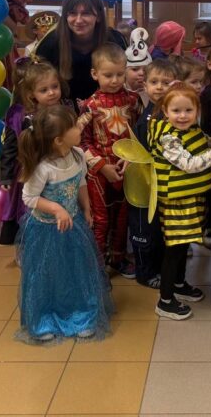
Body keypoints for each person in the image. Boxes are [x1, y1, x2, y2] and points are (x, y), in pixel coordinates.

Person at [15, 105, 114, 344]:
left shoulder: (78, 154)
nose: (80, 127)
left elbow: (81, 182)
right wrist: (57, 209)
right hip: (45, 230)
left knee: (77, 270)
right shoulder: (43, 168)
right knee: (47, 275)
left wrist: (87, 207)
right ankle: (43, 319)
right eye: (74, 126)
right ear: (59, 140)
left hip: (73, 226)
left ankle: (81, 315)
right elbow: (29, 198)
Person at [147, 84, 211, 320]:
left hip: (191, 199)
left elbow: (207, 142)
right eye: (176, 111)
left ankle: (178, 284)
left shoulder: (192, 129)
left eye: (188, 110)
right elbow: (189, 164)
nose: (183, 116)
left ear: (197, 110)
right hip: (176, 203)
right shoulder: (168, 137)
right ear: (165, 111)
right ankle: (165, 301)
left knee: (184, 244)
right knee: (174, 249)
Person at [80, 44, 139, 277]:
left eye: (120, 74)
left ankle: (118, 258)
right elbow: (82, 142)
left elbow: (140, 135)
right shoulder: (89, 105)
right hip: (99, 173)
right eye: (108, 75)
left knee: (123, 217)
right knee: (101, 219)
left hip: (128, 168)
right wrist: (103, 167)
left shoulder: (133, 101)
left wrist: (131, 159)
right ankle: (96, 264)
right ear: (95, 74)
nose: (115, 80)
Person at [0, 59, 71, 247]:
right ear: (32, 94)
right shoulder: (24, 118)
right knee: (35, 211)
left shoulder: (67, 109)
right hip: (34, 171)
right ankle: (33, 245)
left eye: (55, 87)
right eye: (44, 90)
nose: (51, 92)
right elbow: (10, 147)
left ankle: (59, 242)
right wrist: (6, 174)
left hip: (61, 171)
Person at [129, 58, 179, 289]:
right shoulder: (147, 118)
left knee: (161, 229)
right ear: (145, 85)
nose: (159, 87)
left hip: (166, 183)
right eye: (154, 82)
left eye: (166, 82)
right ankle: (145, 272)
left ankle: (160, 267)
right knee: (145, 230)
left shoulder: (174, 114)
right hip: (146, 185)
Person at [36, 0, 126, 103]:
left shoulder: (115, 41)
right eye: (72, 13)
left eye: (86, 13)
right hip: (62, 109)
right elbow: (36, 84)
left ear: (98, 16)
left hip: (108, 107)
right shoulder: (50, 44)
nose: (78, 20)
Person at [125, 27, 152, 111]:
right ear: (124, 71)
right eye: (135, 69)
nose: (141, 73)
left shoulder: (153, 93)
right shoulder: (119, 93)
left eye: (145, 69)